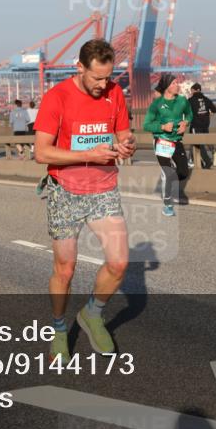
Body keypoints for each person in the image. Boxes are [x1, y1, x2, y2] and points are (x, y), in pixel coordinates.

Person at [33, 39, 136, 364]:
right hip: (65, 191)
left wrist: (127, 145)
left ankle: (92, 314)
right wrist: (86, 154)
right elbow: (41, 152)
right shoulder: (57, 97)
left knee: (119, 263)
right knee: (65, 270)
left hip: (104, 188)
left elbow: (124, 134)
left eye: (108, 78)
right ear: (79, 67)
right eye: (97, 79)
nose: (104, 85)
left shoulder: (114, 93)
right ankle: (60, 329)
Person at [144, 74, 192, 216]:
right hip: (162, 141)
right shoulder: (156, 104)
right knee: (168, 172)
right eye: (174, 83)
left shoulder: (183, 101)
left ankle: (168, 182)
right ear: (166, 87)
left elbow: (189, 114)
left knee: (183, 172)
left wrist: (186, 122)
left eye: (177, 83)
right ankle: (167, 204)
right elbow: (147, 125)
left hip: (177, 141)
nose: (177, 85)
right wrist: (162, 127)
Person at [187, 83, 216, 169]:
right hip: (205, 124)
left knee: (198, 144)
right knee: (200, 142)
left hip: (196, 125)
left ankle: (207, 162)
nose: (191, 92)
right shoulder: (206, 99)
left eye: (191, 90)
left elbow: (186, 112)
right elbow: (214, 110)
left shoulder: (191, 100)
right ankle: (213, 152)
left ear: (194, 90)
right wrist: (208, 114)